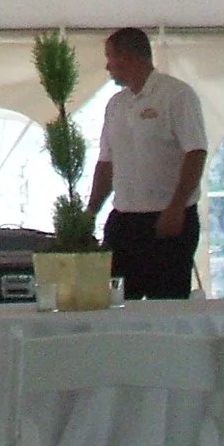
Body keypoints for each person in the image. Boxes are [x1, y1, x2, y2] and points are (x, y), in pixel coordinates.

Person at [86, 27, 208, 301]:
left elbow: (195, 152)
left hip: (168, 218)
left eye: (110, 58)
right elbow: (106, 162)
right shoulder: (116, 105)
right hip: (124, 219)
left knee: (166, 306)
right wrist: (90, 212)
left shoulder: (176, 95)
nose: (107, 67)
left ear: (127, 57)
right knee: (116, 303)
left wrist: (176, 206)